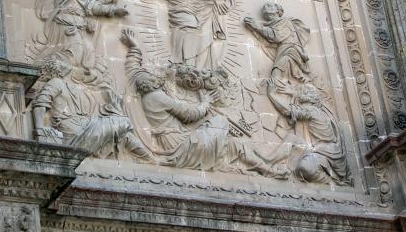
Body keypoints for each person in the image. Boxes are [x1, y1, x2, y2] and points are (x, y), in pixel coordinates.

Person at [121, 28, 286, 177]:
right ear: (152, 83)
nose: (158, 76)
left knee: (234, 145)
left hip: (185, 140)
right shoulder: (157, 97)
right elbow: (189, 114)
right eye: (155, 76)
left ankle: (268, 169)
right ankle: (267, 168)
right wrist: (206, 102)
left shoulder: (141, 84)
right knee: (219, 122)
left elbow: (132, 68)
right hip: (180, 146)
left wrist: (134, 47)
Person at [31, 57, 153, 160]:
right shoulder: (55, 82)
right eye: (61, 62)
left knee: (123, 134)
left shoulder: (67, 84)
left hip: (84, 124)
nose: (66, 64)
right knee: (124, 122)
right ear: (57, 69)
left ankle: (150, 159)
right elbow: (40, 103)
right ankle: (150, 160)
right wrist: (40, 130)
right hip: (75, 130)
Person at [32, 0, 127, 72]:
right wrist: (114, 10)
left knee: (88, 51)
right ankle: (50, 67)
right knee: (75, 55)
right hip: (69, 25)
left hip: (73, 24)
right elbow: (93, 6)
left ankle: (72, 72)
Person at [266, 79, 351, 185]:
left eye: (303, 92)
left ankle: (331, 182)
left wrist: (272, 94)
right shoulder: (320, 110)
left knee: (305, 167)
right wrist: (295, 93)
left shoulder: (311, 111)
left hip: (326, 153)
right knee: (292, 138)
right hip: (316, 148)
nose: (300, 94)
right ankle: (268, 160)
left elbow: (288, 110)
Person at [243, 1, 310, 84]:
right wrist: (254, 26)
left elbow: (276, 36)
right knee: (278, 77)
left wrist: (257, 26)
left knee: (277, 76)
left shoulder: (285, 22)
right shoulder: (272, 25)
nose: (266, 6)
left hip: (290, 52)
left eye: (270, 6)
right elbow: (268, 38)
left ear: (278, 11)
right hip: (283, 51)